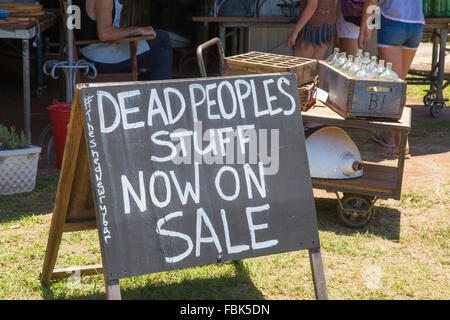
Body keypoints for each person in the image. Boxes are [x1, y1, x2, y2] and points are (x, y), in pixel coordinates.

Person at [359, 0, 424, 159]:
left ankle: (402, 144)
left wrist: (364, 28)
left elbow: (373, 3)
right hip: (416, 24)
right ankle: (391, 136)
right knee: (400, 83)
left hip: (392, 21)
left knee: (395, 88)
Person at [74, 0, 172, 80]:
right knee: (161, 39)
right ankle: (162, 96)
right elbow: (104, 34)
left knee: (160, 47)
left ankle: (157, 91)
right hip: (98, 59)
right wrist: (137, 29)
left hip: (85, 55)